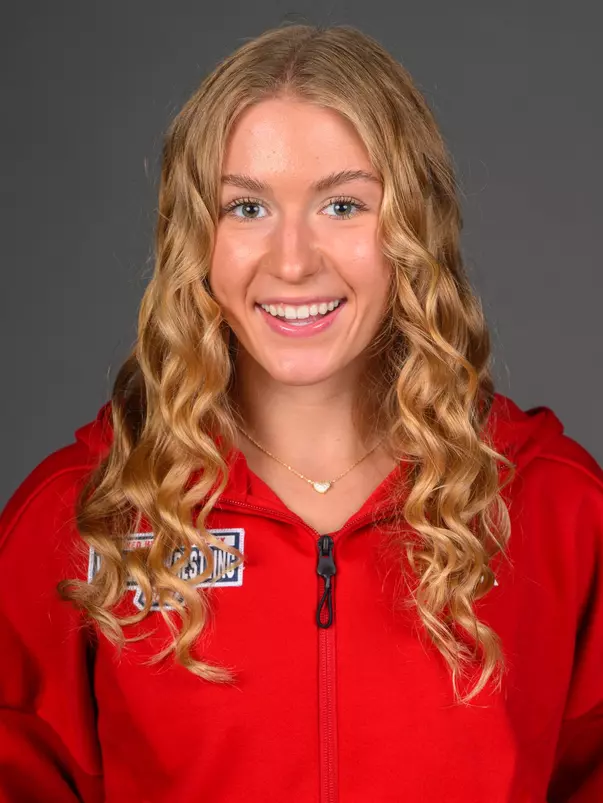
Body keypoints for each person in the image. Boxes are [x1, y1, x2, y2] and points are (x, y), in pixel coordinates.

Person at [0, 21, 601, 803]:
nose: (291, 261)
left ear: (413, 227)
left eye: (342, 205)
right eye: (246, 208)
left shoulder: (556, 509)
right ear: (195, 237)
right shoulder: (85, 518)